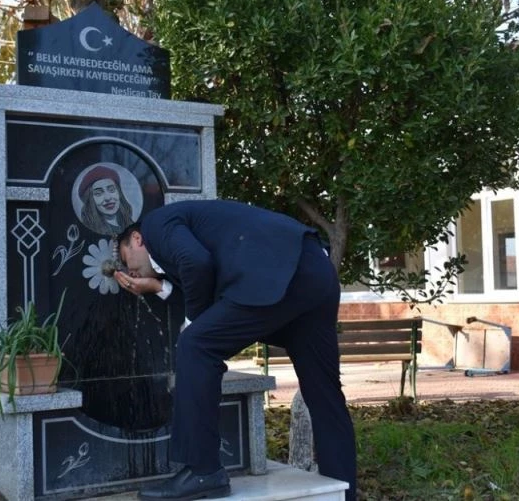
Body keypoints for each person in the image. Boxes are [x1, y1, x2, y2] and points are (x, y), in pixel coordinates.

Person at [114, 199, 357, 501]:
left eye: (126, 260)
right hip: (313, 271)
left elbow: (196, 263)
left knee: (195, 345)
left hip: (278, 274)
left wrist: (193, 325)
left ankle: (203, 470)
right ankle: (345, 492)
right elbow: (203, 282)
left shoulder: (155, 224)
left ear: (136, 239)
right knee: (325, 396)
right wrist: (158, 287)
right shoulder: (183, 244)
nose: (129, 270)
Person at [79, 165, 135, 235]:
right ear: (90, 200)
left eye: (111, 190)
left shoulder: (132, 226)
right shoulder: (88, 233)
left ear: (119, 193)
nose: (108, 198)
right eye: (98, 193)